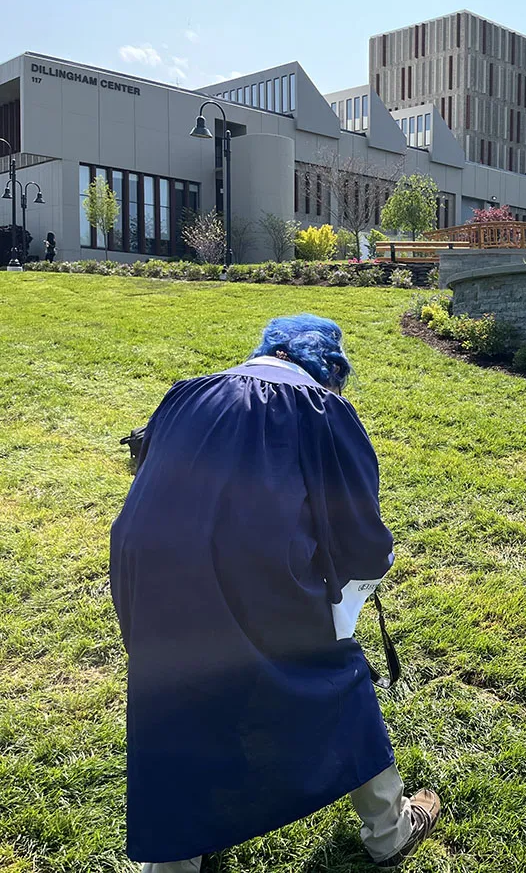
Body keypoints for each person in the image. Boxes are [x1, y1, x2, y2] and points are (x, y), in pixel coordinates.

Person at [109, 314, 441, 872]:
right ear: (330, 365)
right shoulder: (322, 411)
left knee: (177, 693)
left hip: (146, 565)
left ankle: (173, 862)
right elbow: (357, 525)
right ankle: (389, 829)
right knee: (337, 682)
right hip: (258, 572)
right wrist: (366, 575)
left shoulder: (186, 394)